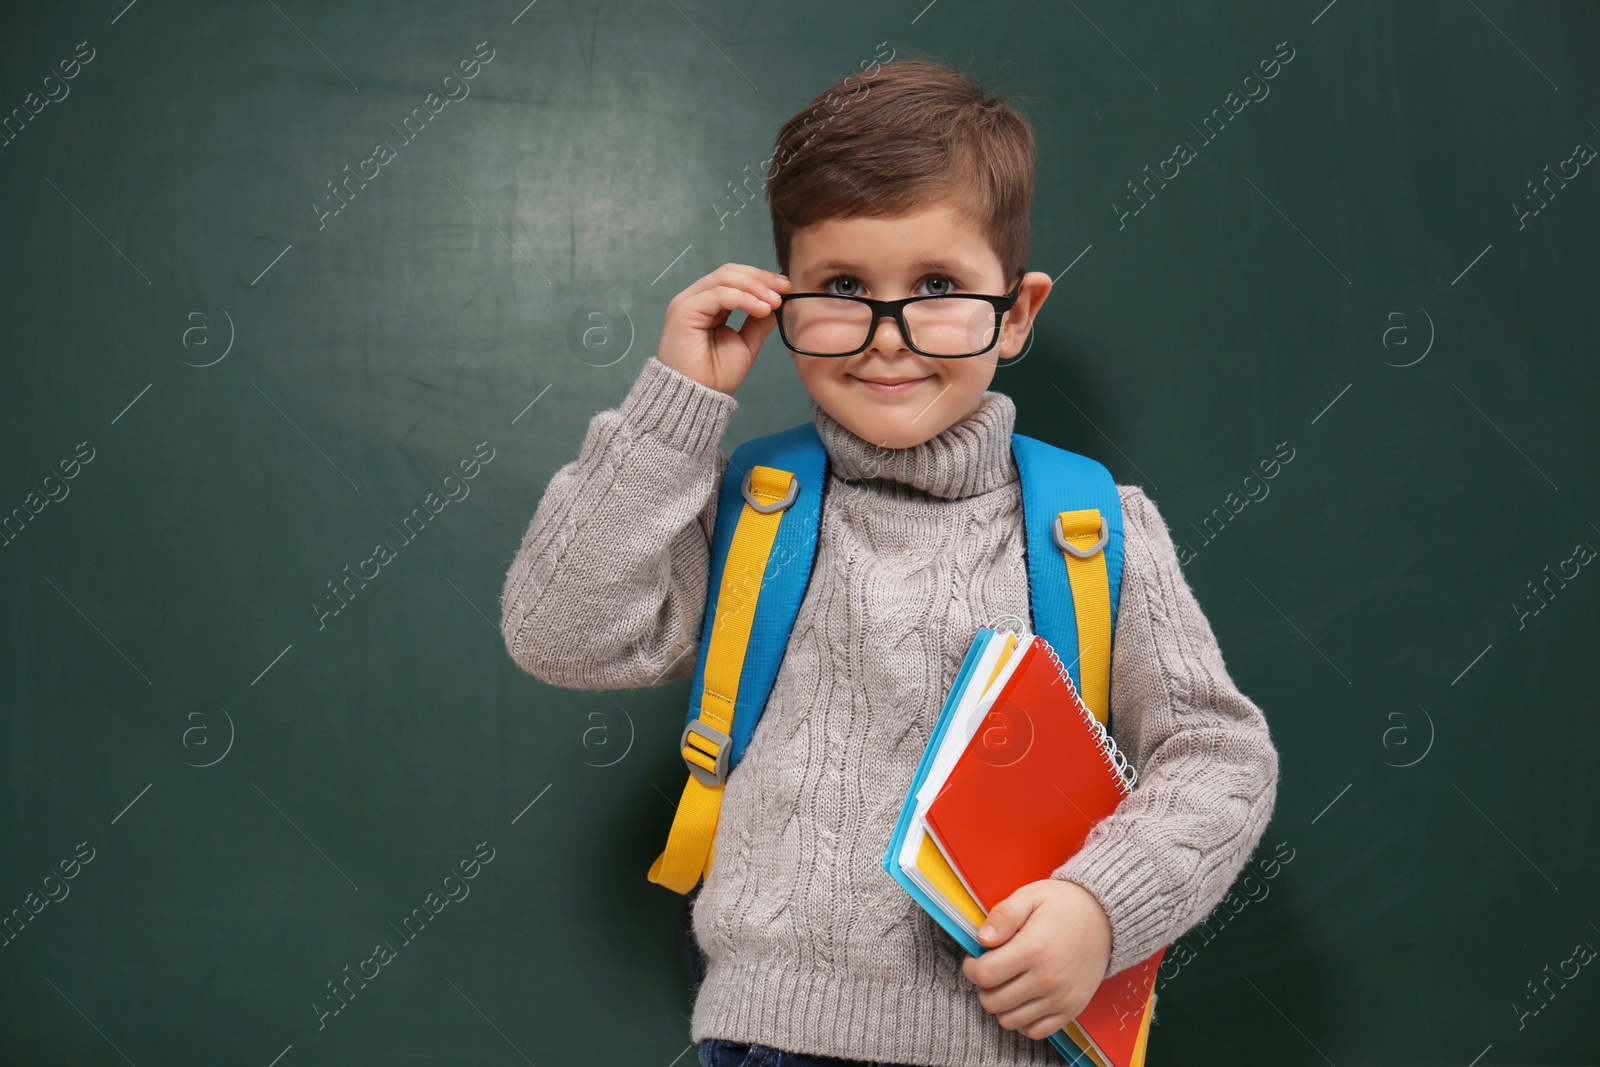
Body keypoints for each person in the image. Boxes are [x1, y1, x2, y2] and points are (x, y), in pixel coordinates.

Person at [499, 54, 1280, 1067]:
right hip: (757, 1037)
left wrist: (1099, 906)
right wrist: (673, 411)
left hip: (1003, 1045)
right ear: (782, 309)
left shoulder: (1093, 528)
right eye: (841, 288)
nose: (887, 336)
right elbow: (558, 633)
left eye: (939, 286)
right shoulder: (754, 506)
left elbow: (1220, 755)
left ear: (1019, 311)